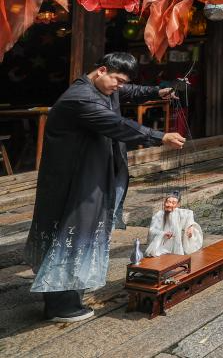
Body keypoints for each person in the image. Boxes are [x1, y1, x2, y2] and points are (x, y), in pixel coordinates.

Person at [24, 53, 185, 323]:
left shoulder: (105, 87)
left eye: (123, 83)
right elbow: (117, 124)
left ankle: (71, 290)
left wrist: (157, 91)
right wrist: (159, 136)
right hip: (72, 179)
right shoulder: (81, 98)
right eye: (117, 80)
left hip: (90, 174)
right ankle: (60, 305)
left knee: (84, 232)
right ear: (101, 70)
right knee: (71, 233)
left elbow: (130, 91)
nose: (119, 87)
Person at [145, 191, 204, 257]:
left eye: (173, 203)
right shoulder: (159, 214)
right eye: (168, 202)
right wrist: (164, 233)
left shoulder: (179, 212)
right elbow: (152, 230)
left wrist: (190, 227)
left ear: (178, 205)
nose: (170, 205)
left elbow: (189, 213)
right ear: (164, 203)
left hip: (176, 243)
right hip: (162, 244)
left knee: (177, 256)